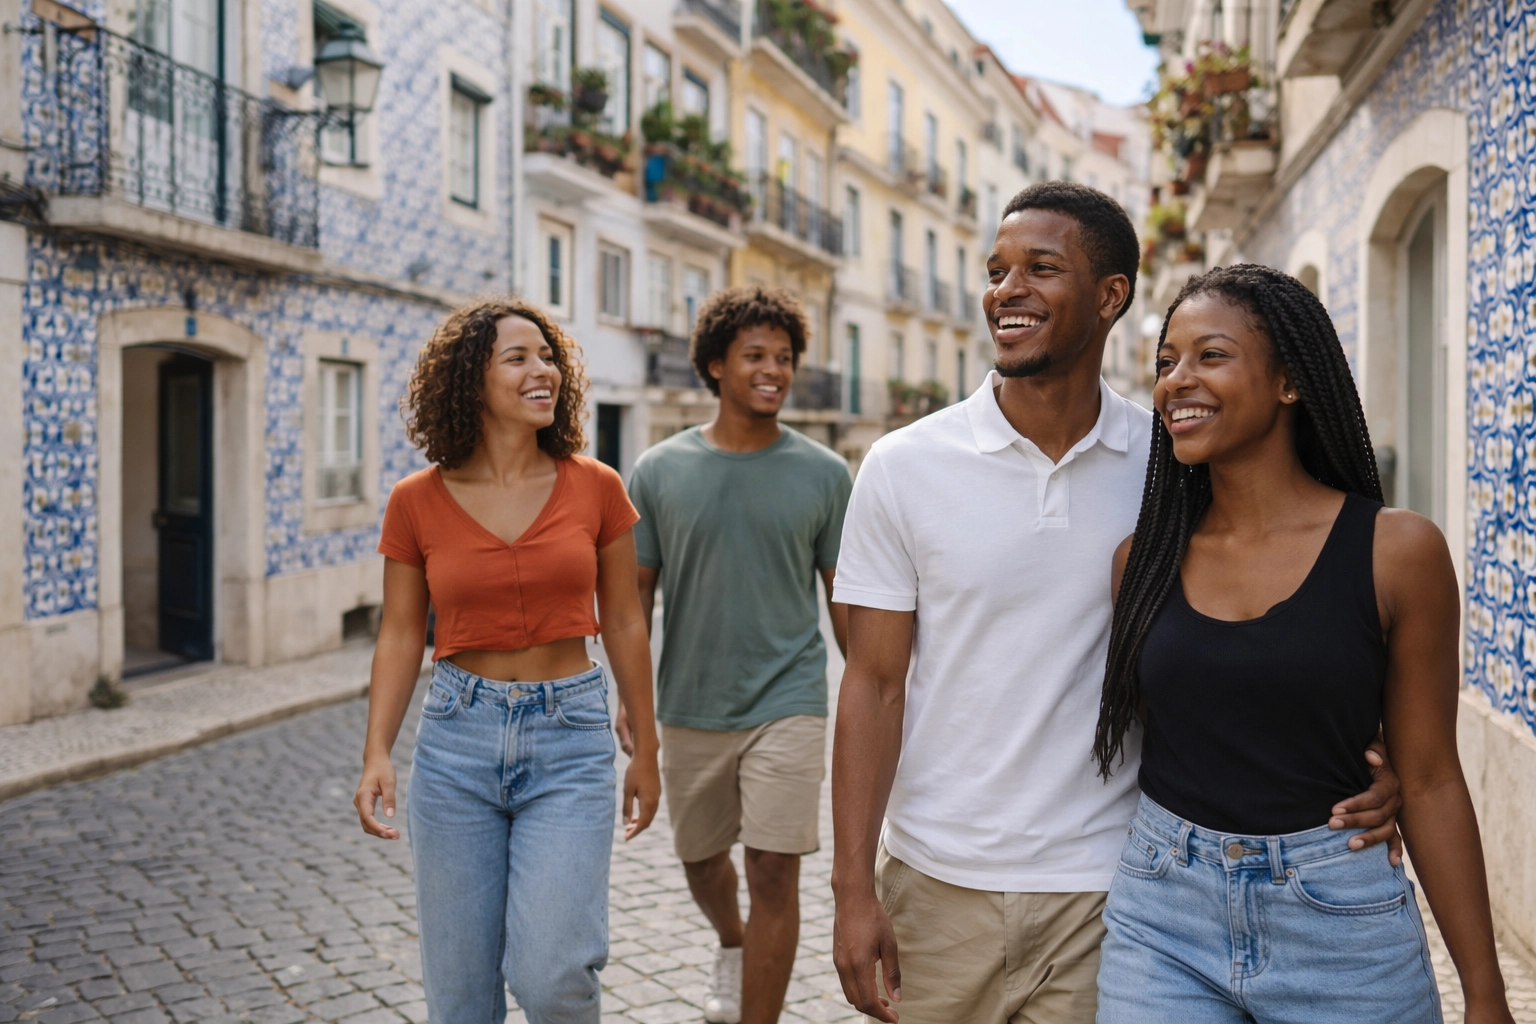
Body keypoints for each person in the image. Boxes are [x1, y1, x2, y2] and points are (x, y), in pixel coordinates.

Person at [830, 183, 1404, 1024]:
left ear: (1111, 296)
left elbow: (1274, 606)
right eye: (996, 270)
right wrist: (851, 891)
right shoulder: (902, 465)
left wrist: (1370, 745)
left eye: (1041, 267)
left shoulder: (1175, 459)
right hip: (938, 881)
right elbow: (872, 686)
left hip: (1116, 894)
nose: (1004, 289)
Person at [1092, 264, 1514, 1024]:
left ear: (1289, 381)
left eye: (1209, 356)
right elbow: (1192, 727)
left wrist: (1485, 995)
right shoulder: (1142, 562)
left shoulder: (1398, 552)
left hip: (1339, 919)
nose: (1175, 382)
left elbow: (1428, 779)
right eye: (1166, 362)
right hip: (1162, 916)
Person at [352, 299, 661, 1024]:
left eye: (548, 357)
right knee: (459, 1000)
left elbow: (623, 619)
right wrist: (376, 751)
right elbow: (401, 635)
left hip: (571, 739)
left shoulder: (598, 487)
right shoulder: (416, 502)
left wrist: (645, 745)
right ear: (471, 381)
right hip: (456, 743)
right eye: (517, 358)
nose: (541, 371)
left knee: (554, 975)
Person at [616, 286, 851, 1024]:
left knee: (774, 868)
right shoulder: (657, 471)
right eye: (755, 356)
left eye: (784, 357)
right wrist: (636, 707)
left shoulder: (825, 474)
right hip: (691, 701)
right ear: (715, 366)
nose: (774, 370)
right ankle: (732, 940)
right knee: (700, 859)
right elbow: (630, 603)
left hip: (790, 696)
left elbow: (844, 599)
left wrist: (886, 699)